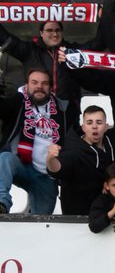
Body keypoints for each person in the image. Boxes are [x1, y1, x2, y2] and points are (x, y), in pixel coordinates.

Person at [0, 68, 66, 214]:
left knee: (41, 223)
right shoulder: (18, 102)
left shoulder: (62, 108)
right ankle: (2, 202)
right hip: (23, 166)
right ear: (26, 85)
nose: (39, 87)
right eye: (34, 82)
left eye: (44, 83)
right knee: (5, 158)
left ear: (50, 87)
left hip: (47, 176)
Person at [48, 104, 115, 215]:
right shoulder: (73, 149)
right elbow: (57, 169)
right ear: (83, 127)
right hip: (78, 214)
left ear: (106, 126)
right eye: (89, 123)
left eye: (99, 122)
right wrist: (50, 159)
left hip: (108, 211)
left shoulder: (113, 143)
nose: (94, 126)